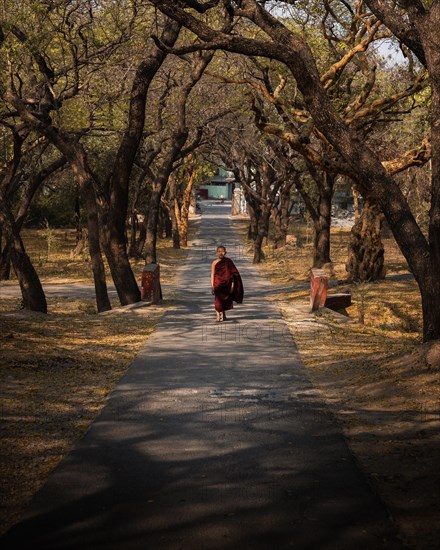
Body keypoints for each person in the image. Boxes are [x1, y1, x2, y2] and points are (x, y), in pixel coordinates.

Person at [211, 245, 243, 322]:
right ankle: (218, 316)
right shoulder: (214, 263)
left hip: (227, 284)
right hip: (217, 283)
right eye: (219, 251)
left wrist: (232, 285)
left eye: (222, 251)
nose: (220, 253)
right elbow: (212, 274)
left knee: (225, 299)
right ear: (216, 253)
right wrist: (212, 285)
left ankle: (224, 315)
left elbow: (233, 275)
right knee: (217, 299)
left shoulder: (228, 262)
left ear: (225, 253)